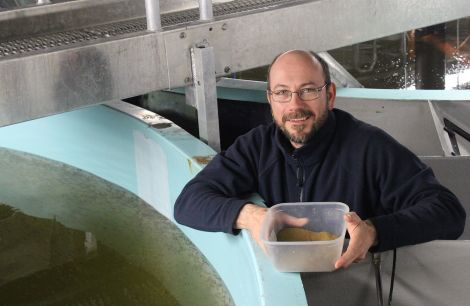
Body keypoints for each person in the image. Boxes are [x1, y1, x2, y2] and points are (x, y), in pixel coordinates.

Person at [174, 50, 466, 269]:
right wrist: (254, 216)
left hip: (353, 284)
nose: (295, 105)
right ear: (270, 100)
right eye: (283, 93)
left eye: (308, 91)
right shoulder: (255, 147)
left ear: (330, 94)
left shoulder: (370, 147)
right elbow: (188, 202)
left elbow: (448, 212)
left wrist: (375, 231)